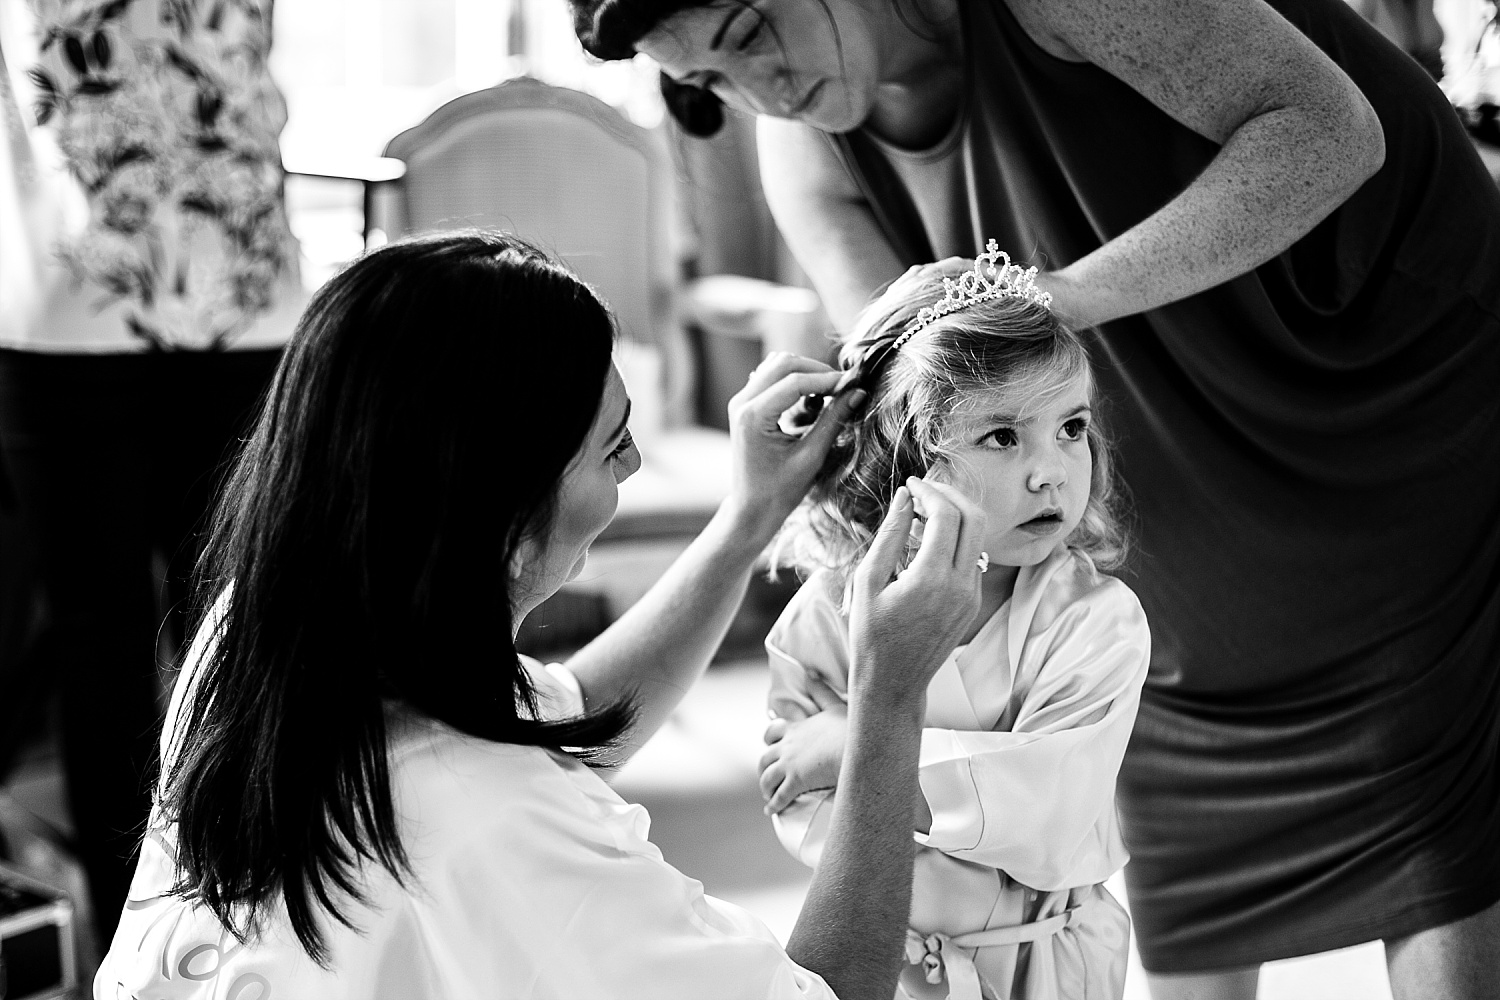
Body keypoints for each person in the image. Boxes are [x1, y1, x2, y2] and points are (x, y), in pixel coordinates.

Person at [569, 0, 1500, 996]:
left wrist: (1066, 297)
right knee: (1170, 864)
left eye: (751, 35)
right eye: (708, 82)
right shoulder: (806, 150)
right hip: (1141, 503)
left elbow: (1331, 130)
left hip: (1366, 427)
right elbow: (924, 413)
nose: (761, 94)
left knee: (1429, 828)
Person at [91, 230, 1000, 1000]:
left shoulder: (258, 635)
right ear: (502, 506)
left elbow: (560, 721)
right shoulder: (492, 822)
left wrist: (745, 518)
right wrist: (889, 693)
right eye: (611, 448)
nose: (638, 465)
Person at [758, 251, 1149, 1000]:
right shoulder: (834, 607)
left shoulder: (1097, 623)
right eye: (1003, 436)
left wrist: (857, 743)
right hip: (880, 954)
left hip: (1042, 964)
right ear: (907, 461)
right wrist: (903, 779)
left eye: (1071, 427)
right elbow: (791, 787)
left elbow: (1051, 806)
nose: (1052, 471)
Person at [0, 0, 305, 943]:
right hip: (74, 303)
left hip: (244, 302)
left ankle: (251, 918)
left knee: (244, 626)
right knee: (107, 646)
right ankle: (135, 937)